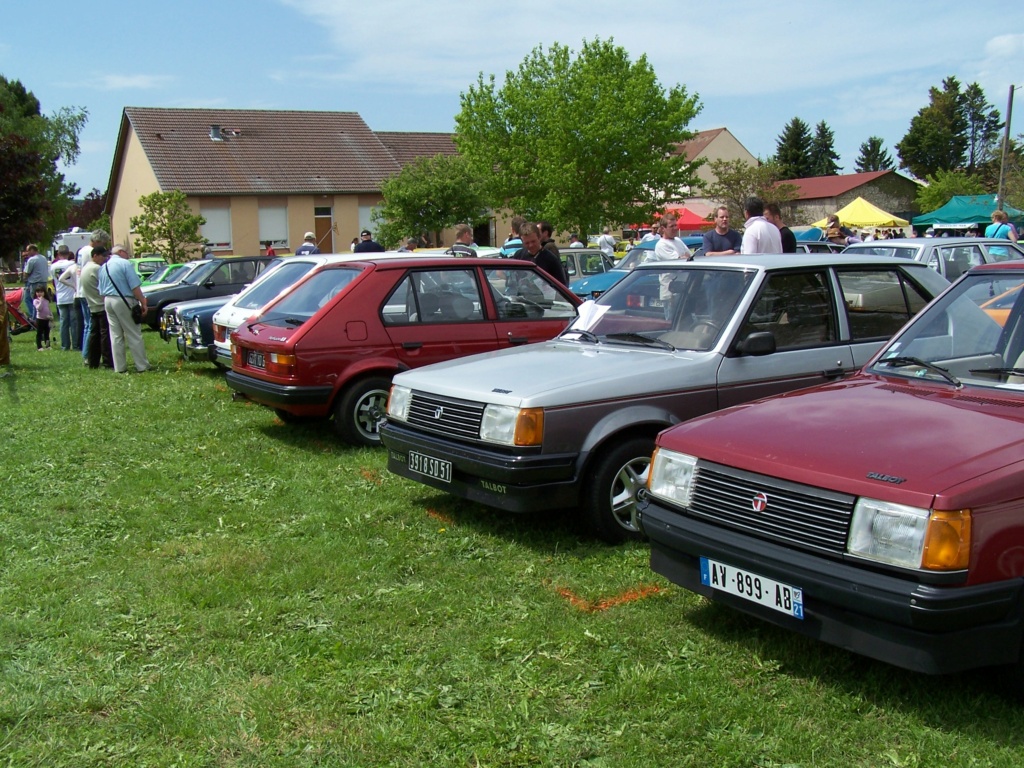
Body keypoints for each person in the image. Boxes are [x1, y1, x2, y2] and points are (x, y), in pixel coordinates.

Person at [98, 245, 150, 373]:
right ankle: (142, 365)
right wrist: (143, 301)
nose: (128, 255)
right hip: (123, 299)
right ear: (121, 252)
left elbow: (100, 290)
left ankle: (119, 367)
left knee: (115, 335)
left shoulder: (103, 267)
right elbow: (134, 286)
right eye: (127, 252)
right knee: (133, 333)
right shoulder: (124, 264)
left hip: (108, 300)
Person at [76, 230, 111, 361]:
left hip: (82, 290)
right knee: (91, 327)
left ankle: (88, 355)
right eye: (103, 243)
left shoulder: (81, 250)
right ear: (97, 241)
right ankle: (87, 355)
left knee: (89, 325)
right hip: (89, 292)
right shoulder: (89, 252)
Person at [81, 245, 113, 369]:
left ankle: (92, 361)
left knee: (94, 335)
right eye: (103, 256)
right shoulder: (97, 269)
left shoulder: (86, 268)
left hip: (92, 305)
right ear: (95, 256)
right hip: (101, 305)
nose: (105, 259)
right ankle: (107, 361)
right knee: (105, 335)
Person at [51, 245, 79, 350]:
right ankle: (75, 345)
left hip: (60, 296)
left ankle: (65, 345)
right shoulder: (72, 264)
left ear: (58, 254)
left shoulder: (53, 266)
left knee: (63, 322)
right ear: (68, 253)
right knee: (74, 322)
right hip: (71, 294)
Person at [20, 244, 49, 323]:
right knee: (42, 300)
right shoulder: (43, 258)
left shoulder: (32, 259)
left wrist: (24, 278)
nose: (27, 252)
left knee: (34, 301)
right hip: (43, 281)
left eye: (28, 250)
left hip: (35, 282)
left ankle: (35, 319)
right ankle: (40, 317)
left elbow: (27, 272)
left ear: (33, 250)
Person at [32, 286, 52, 350]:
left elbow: (48, 309)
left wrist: (51, 316)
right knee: (39, 333)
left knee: (47, 333)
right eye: (38, 292)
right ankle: (39, 346)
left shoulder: (46, 300)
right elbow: (39, 308)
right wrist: (40, 301)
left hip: (47, 319)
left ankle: (48, 346)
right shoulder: (36, 300)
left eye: (41, 292)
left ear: (44, 293)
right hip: (40, 319)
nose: (39, 293)